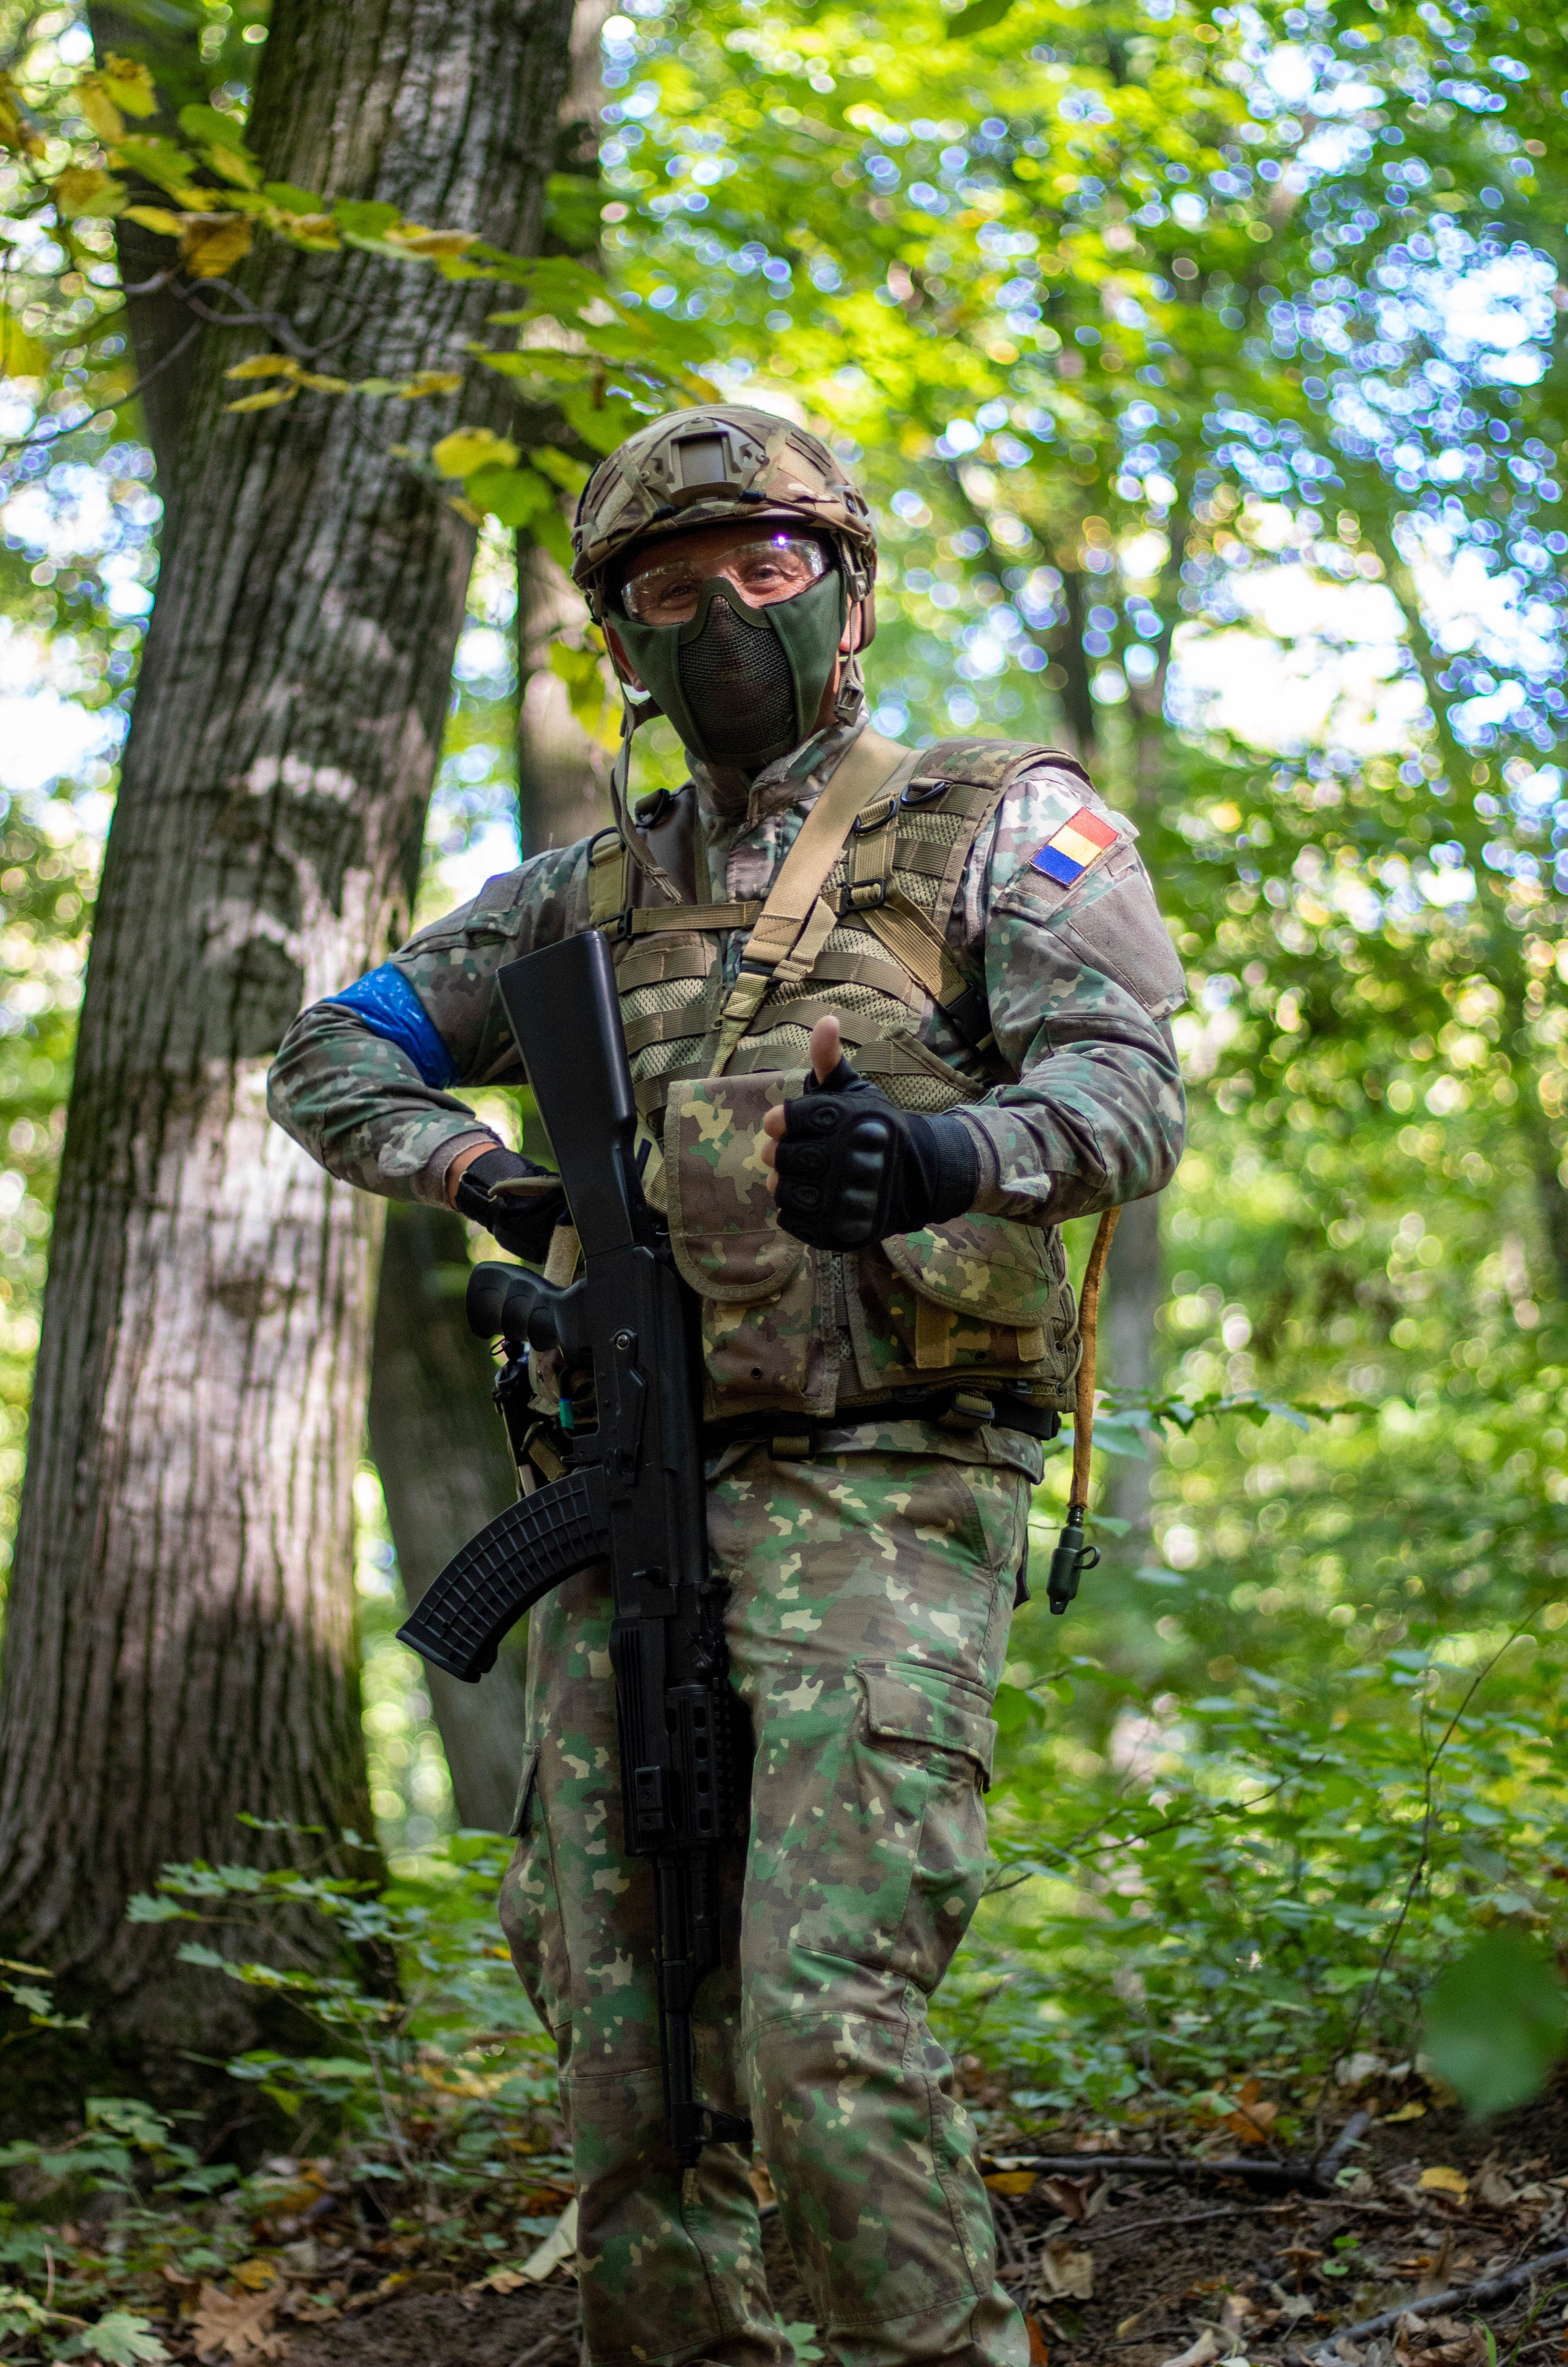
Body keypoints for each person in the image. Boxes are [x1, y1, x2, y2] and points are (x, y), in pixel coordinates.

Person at [268, 403, 1186, 2367]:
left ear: (843, 583)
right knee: (621, 2043)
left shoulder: (1001, 819)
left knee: (822, 2017)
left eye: (761, 566)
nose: (717, 616)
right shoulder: (567, 901)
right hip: (627, 1493)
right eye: (664, 588)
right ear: (616, 636)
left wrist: (951, 1158)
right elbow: (331, 1051)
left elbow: (1127, 1095)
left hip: (889, 1473)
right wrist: (491, 1177)